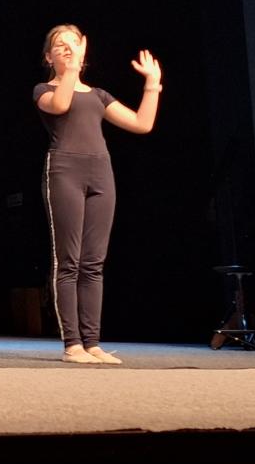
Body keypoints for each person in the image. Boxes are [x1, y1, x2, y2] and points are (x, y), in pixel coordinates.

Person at [35, 25, 161, 365]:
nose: (67, 48)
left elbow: (142, 123)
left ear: (84, 49)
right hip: (64, 172)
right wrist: (71, 69)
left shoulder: (99, 95)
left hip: (101, 173)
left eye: (73, 43)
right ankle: (72, 345)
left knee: (93, 263)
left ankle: (92, 343)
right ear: (48, 57)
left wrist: (152, 84)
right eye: (59, 45)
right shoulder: (44, 90)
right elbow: (61, 105)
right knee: (68, 261)